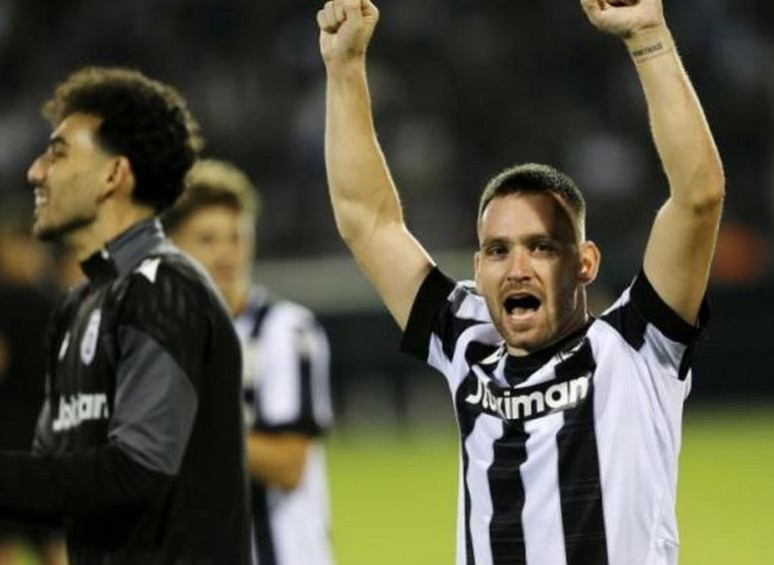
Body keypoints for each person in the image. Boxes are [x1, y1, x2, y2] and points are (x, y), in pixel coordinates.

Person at [318, 0, 724, 563]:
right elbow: (367, 221)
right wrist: (344, 67)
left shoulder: (636, 347)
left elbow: (698, 198)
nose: (517, 268)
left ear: (585, 263)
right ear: (478, 268)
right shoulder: (467, 341)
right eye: (498, 250)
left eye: (542, 247)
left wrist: (648, 37)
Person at [0, 67, 250, 564]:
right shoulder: (76, 307)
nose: (36, 172)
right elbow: (53, 485)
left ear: (114, 175)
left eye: (58, 153)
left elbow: (137, 472)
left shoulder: (166, 290)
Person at [164, 159, 335, 565]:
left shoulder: (285, 331)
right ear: (171, 246)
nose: (226, 253)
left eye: (236, 237)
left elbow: (288, 464)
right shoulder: (157, 340)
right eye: (207, 239)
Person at [0, 201, 66, 565]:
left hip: (11, 437)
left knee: (9, 541)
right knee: (52, 539)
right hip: (51, 435)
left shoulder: (8, 301)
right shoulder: (58, 301)